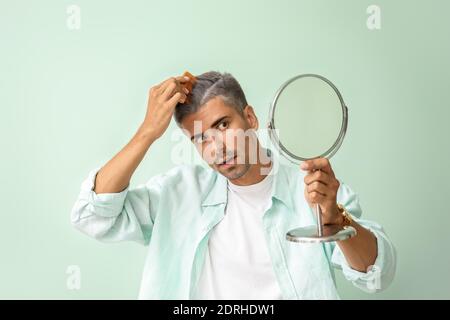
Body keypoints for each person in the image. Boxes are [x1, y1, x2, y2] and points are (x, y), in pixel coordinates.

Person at [71, 71, 396, 299]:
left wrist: (337, 220)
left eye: (222, 125)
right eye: (200, 139)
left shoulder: (315, 194)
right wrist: (147, 132)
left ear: (251, 118)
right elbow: (92, 216)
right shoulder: (178, 194)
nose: (216, 149)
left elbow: (377, 275)